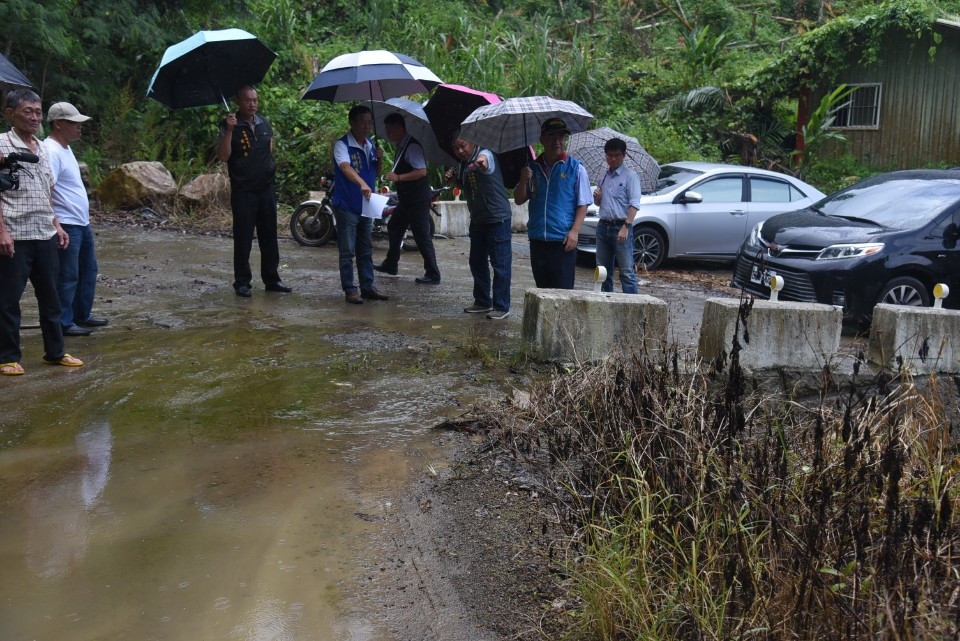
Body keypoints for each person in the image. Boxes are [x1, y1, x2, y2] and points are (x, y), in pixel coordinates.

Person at [0, 89, 83, 376]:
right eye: (28, 111)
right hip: (14, 233)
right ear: (10, 114)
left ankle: (55, 352)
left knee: (51, 296)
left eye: (38, 111)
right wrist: (2, 232)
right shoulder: (2, 144)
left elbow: (47, 190)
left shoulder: (45, 148)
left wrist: (57, 225)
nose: (35, 117)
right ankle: (8, 356)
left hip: (44, 232)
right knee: (9, 299)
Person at [216, 85, 291, 298]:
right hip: (244, 191)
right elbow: (223, 156)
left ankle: (272, 279)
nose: (252, 104)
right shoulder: (229, 125)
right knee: (244, 238)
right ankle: (242, 282)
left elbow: (269, 150)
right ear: (238, 102)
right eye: (248, 101)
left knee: (269, 236)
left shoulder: (264, 124)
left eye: (255, 100)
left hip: (266, 189)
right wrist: (230, 131)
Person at [44, 102, 106, 337]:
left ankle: (81, 314)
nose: (80, 128)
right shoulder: (50, 150)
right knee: (68, 274)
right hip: (67, 223)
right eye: (74, 123)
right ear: (58, 124)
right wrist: (56, 224)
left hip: (81, 222)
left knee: (88, 270)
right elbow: (46, 189)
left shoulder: (66, 147)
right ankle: (64, 322)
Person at [514, 118, 591, 289]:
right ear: (541, 139)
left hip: (563, 241)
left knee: (563, 294)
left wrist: (575, 232)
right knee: (542, 292)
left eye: (561, 137)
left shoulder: (576, 168)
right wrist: (522, 180)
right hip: (537, 240)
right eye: (551, 137)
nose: (557, 142)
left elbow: (584, 203)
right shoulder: (532, 169)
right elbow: (519, 199)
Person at [446, 134, 513, 320]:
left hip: (497, 219)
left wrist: (480, 162)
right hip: (478, 220)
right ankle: (483, 301)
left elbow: (485, 161)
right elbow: (469, 186)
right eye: (456, 148)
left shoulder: (484, 154)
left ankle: (501, 306)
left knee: (500, 264)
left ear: (472, 142)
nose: (460, 151)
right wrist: (454, 180)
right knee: (476, 261)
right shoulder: (463, 164)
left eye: (463, 146)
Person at [373, 113, 441, 285]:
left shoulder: (412, 146)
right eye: (386, 129)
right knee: (395, 225)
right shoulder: (401, 146)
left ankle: (433, 273)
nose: (388, 133)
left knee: (421, 235)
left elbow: (421, 171)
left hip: (417, 199)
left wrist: (399, 177)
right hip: (407, 198)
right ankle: (391, 264)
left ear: (400, 128)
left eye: (391, 129)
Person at [331, 104, 388, 304]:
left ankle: (367, 286)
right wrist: (362, 183)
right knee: (347, 250)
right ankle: (350, 289)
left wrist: (379, 160)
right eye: (362, 122)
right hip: (347, 205)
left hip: (366, 205)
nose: (367, 126)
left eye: (369, 122)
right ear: (352, 123)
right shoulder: (342, 145)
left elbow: (377, 172)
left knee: (366, 248)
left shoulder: (370, 144)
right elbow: (345, 167)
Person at [593, 137, 642, 294]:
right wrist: (597, 197)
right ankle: (606, 302)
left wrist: (626, 227)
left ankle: (634, 309)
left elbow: (634, 204)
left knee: (626, 272)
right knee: (602, 271)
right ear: (605, 155)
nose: (613, 159)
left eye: (617, 155)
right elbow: (599, 204)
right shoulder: (603, 177)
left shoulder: (630, 176)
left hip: (621, 226)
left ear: (624, 155)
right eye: (609, 155)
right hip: (603, 226)